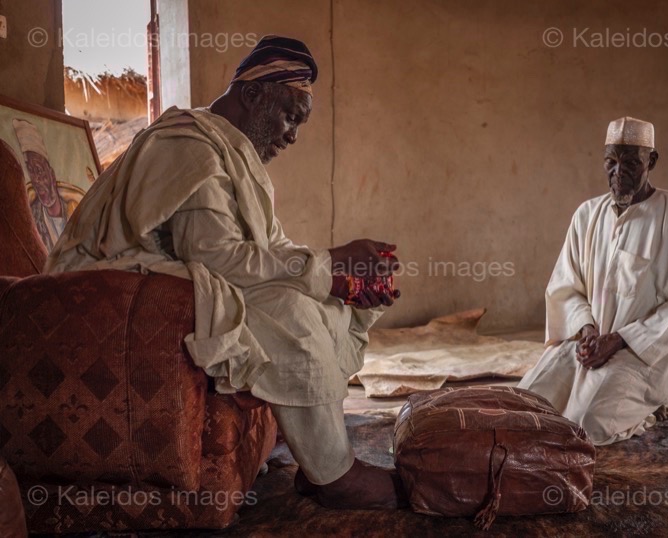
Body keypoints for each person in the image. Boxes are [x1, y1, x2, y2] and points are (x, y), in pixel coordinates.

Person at [46, 35, 403, 509]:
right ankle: (334, 475)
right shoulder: (190, 146)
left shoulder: (226, 150)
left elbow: (266, 250)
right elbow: (217, 256)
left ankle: (319, 460)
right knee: (287, 307)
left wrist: (341, 281)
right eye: (290, 117)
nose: (293, 135)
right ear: (253, 95)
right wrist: (330, 264)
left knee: (321, 298)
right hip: (110, 286)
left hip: (169, 276)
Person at [518, 117, 668, 445]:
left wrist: (619, 340)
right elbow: (566, 285)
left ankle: (647, 407)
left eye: (631, 162)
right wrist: (589, 331)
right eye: (611, 161)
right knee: (522, 407)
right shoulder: (586, 215)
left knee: (589, 425)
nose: (619, 172)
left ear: (652, 161)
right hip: (584, 346)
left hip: (640, 355)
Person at [12, 119, 83, 251]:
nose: (37, 180)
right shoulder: (32, 220)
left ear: (52, 174)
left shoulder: (76, 211)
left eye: (39, 170)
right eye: (31, 172)